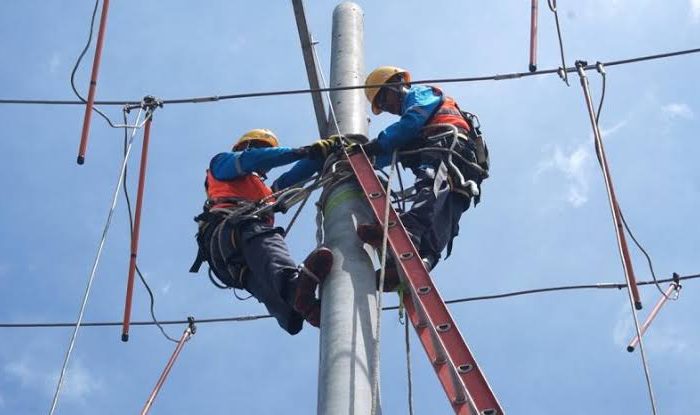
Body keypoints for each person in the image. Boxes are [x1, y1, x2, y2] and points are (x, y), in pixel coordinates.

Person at [189, 129, 338, 335]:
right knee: (264, 238)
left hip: (228, 260)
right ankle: (294, 287)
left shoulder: (264, 192)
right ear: (244, 147)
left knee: (258, 278)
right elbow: (251, 159)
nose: (265, 157)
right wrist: (301, 151)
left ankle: (296, 312)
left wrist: (320, 155)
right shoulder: (221, 164)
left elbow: (292, 179)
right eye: (260, 147)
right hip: (233, 230)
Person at [358, 66, 490, 290]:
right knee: (444, 215)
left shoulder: (420, 94)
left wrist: (375, 145)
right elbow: (393, 150)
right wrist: (368, 158)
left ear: (397, 83)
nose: (387, 107)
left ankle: (406, 232)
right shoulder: (419, 125)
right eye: (381, 105)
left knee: (431, 184)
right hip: (466, 164)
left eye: (384, 98)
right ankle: (421, 260)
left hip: (448, 146)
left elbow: (410, 123)